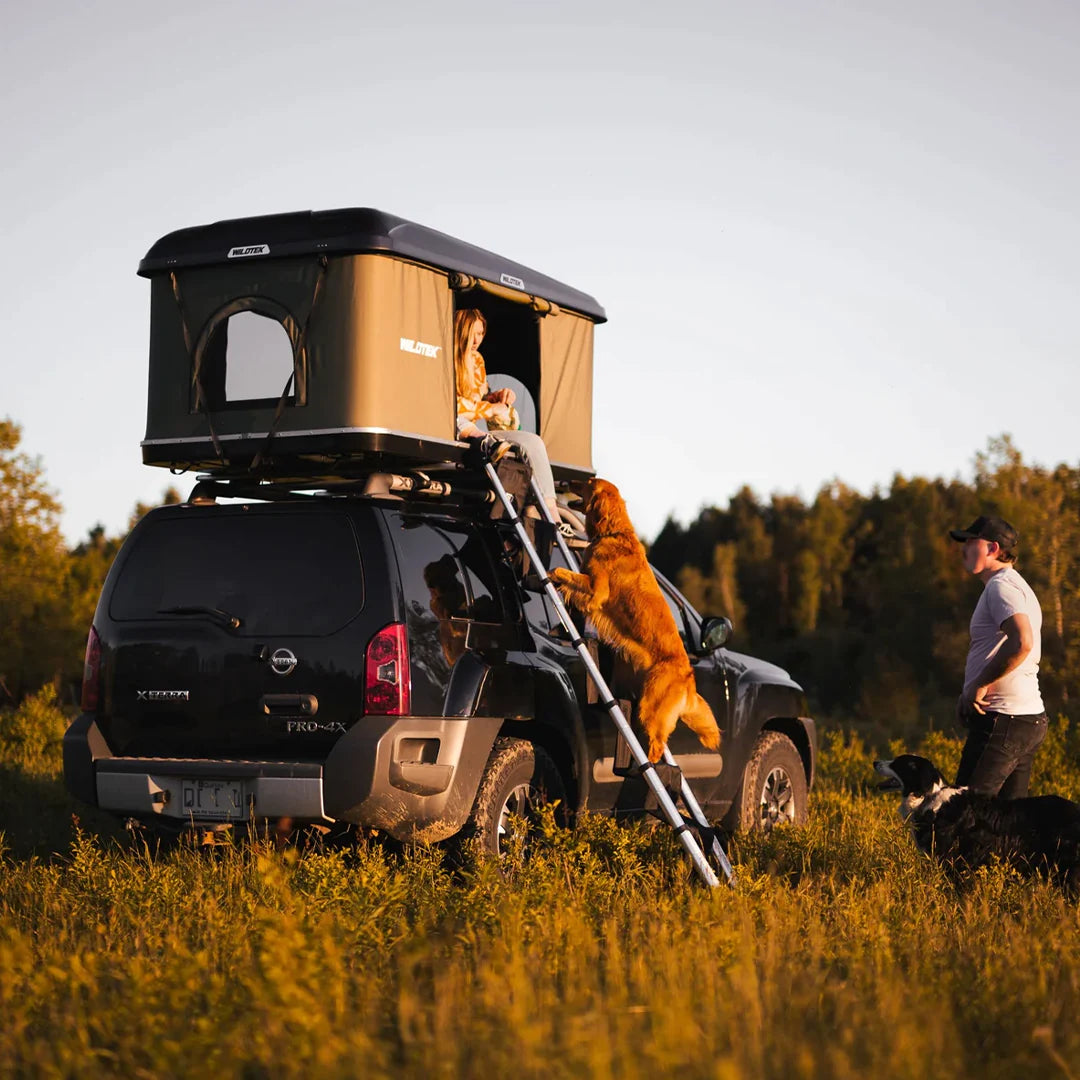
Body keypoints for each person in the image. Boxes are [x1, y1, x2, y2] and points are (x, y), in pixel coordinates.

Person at [454, 308, 582, 535]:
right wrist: (490, 408)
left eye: (481, 333)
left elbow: (477, 400)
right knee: (459, 419)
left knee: (532, 443)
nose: (476, 340)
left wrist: (495, 397)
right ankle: (485, 442)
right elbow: (451, 404)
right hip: (454, 426)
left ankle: (549, 512)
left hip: (482, 428)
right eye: (472, 333)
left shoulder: (477, 360)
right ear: (460, 331)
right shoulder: (445, 356)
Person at [950, 514, 1047, 798]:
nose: (963, 549)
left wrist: (979, 685)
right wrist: (968, 692)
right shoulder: (1015, 585)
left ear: (992, 549)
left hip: (1003, 720)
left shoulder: (1001, 587)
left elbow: (1022, 642)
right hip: (1023, 719)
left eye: (970, 542)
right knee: (1004, 826)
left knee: (964, 815)